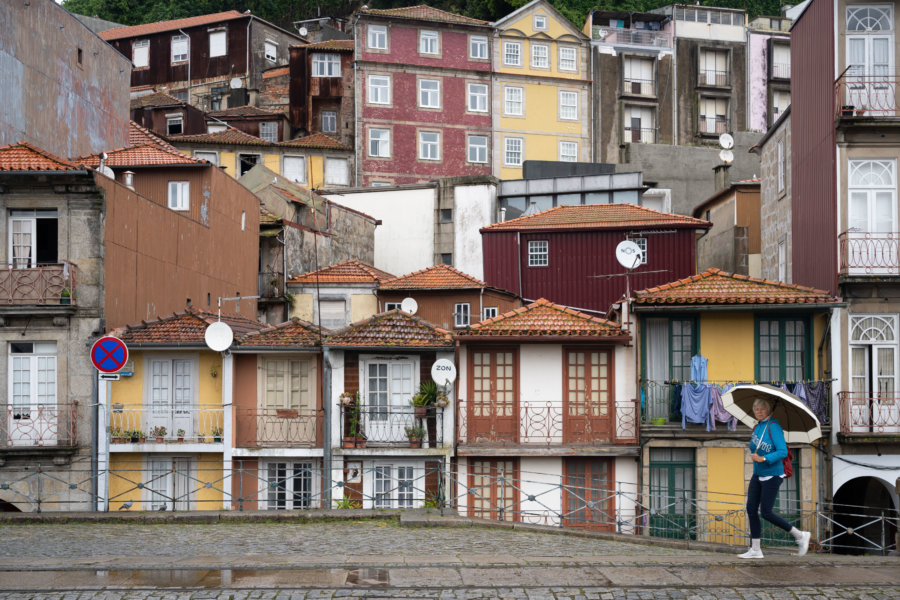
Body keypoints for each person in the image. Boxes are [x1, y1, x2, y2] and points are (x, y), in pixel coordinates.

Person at [739, 397, 811, 559]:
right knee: (751, 508)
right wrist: (756, 455)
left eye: (762, 409)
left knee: (766, 512)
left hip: (772, 474)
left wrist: (764, 458)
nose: (759, 412)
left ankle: (800, 535)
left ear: (769, 410)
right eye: (756, 409)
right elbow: (755, 446)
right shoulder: (758, 427)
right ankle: (756, 549)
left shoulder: (774, 427)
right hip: (758, 474)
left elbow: (782, 452)